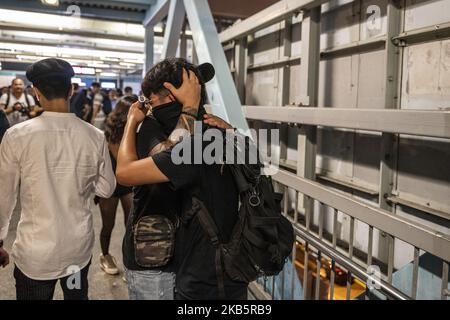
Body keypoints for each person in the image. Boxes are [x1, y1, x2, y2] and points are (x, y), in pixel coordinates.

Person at [117, 58, 248, 300]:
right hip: (163, 259)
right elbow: (168, 156)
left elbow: (130, 172)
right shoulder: (154, 129)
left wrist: (131, 124)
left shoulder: (208, 133)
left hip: (190, 265)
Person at [0, 58, 116, 300]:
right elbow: (106, 189)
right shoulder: (94, 136)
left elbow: (5, 196)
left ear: (36, 91)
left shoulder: (17, 136)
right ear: (71, 90)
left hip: (35, 257)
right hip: (77, 254)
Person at [96, 95, 135, 275]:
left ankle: (129, 260)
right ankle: (105, 255)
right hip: (110, 184)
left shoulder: (137, 130)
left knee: (131, 224)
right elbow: (120, 158)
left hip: (129, 183)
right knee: (108, 225)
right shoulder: (109, 133)